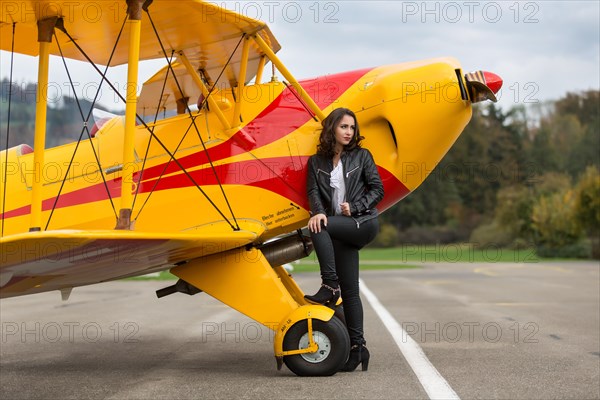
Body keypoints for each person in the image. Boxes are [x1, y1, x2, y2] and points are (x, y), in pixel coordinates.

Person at [305, 107, 384, 372]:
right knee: (351, 291)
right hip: (340, 227)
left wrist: (357, 206)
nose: (349, 132)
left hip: (362, 222)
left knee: (318, 228)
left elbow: (378, 189)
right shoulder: (316, 162)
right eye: (343, 127)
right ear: (332, 129)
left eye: (352, 127)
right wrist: (318, 211)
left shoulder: (362, 156)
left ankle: (329, 286)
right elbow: (313, 192)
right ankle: (358, 349)